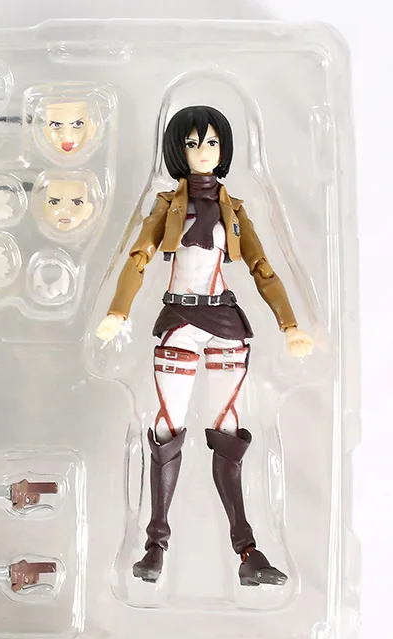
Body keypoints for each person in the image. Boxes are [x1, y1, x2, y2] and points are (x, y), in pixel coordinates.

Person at [95, 105, 313, 586]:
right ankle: (155, 546)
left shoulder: (235, 209)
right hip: (179, 317)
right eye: (192, 143)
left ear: (224, 148)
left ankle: (248, 553)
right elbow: (139, 256)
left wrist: (290, 324)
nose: (202, 151)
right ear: (178, 150)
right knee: (167, 428)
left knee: (228, 432)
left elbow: (261, 267)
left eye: (211, 142)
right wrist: (118, 311)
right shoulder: (166, 205)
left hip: (224, 319)